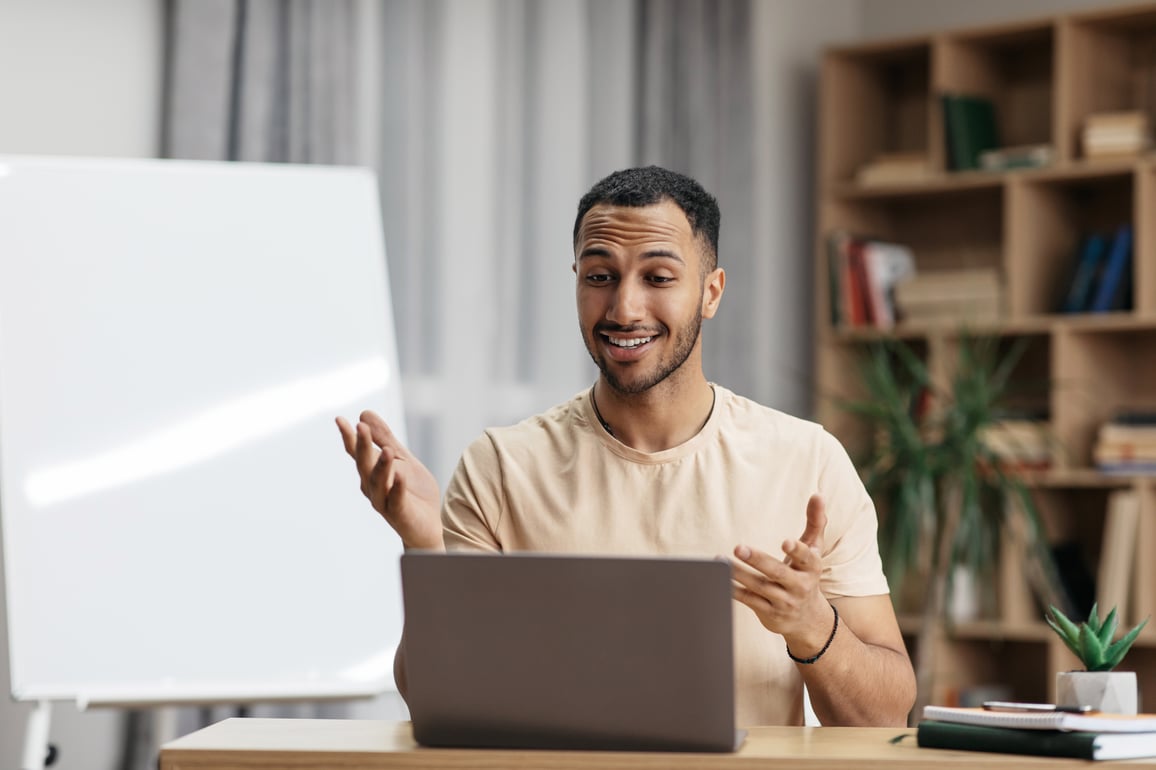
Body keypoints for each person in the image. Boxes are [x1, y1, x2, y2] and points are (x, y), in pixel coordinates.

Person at [336, 166, 916, 727]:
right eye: (600, 276)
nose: (623, 309)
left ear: (711, 292)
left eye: (658, 278)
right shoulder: (501, 467)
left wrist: (813, 626)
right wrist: (423, 545)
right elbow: (440, 701)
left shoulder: (808, 461)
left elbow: (886, 715)